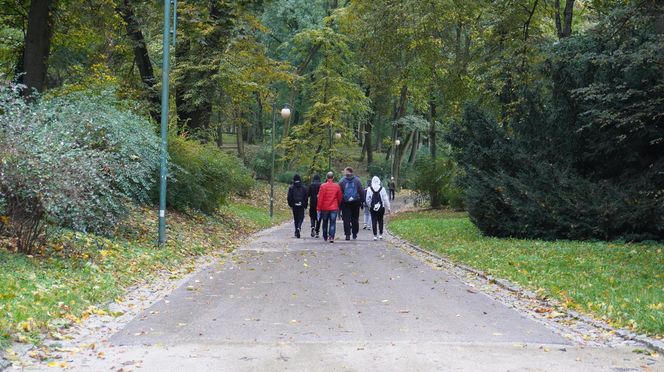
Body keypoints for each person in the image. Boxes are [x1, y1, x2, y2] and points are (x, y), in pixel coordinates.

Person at [338, 167, 366, 240]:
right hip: (356, 202)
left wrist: (339, 203)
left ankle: (347, 234)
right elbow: (361, 191)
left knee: (346, 219)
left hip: (345, 202)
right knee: (355, 218)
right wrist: (362, 201)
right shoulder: (357, 180)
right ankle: (354, 234)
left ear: (347, 172)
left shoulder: (342, 181)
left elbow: (339, 193)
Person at [317, 171, 343, 243]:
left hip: (324, 208)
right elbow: (340, 197)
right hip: (334, 207)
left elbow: (320, 198)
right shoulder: (337, 186)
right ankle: (331, 237)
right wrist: (338, 204)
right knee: (332, 222)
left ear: (326, 177)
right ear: (333, 177)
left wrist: (318, 208)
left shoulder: (323, 186)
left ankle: (325, 236)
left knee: (324, 222)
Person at [366, 176, 391, 240]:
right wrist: (388, 207)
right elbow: (385, 199)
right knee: (380, 220)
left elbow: (367, 199)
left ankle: (375, 235)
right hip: (381, 207)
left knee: (373, 220)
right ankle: (380, 234)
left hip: (373, 207)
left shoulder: (369, 189)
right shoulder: (382, 189)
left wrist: (370, 206)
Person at [287, 174, 308, 238]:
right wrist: (305, 205)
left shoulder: (291, 187)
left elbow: (289, 197)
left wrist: (290, 204)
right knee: (301, 217)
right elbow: (306, 197)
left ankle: (296, 230)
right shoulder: (304, 188)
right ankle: (299, 227)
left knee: (296, 218)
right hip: (301, 204)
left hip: (294, 204)